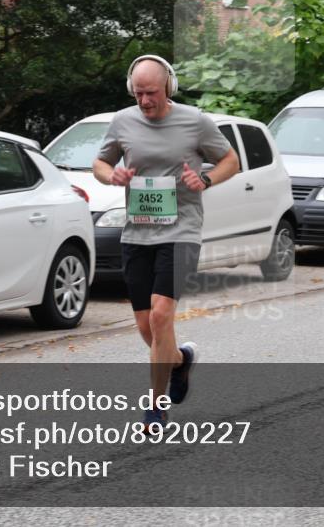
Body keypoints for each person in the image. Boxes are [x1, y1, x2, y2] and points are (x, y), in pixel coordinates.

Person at [93, 55, 240, 433]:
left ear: (168, 87)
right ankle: (178, 361)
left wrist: (205, 180)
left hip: (181, 231)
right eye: (139, 93)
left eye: (152, 93)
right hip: (137, 233)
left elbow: (231, 160)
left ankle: (156, 408)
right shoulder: (122, 121)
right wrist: (112, 176)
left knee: (161, 316)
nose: (145, 101)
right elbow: (100, 163)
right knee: (147, 326)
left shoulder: (195, 121)